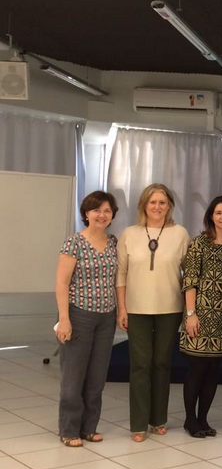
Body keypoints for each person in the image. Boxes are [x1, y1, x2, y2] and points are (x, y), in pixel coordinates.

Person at [116, 183, 190, 442]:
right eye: (152, 202)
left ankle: (158, 418)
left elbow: (188, 274)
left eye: (162, 202)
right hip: (136, 309)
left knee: (161, 364)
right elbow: (121, 273)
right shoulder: (129, 233)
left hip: (170, 308)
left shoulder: (180, 233)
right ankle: (138, 423)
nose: (157, 207)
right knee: (139, 365)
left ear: (169, 205)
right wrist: (122, 308)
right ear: (144, 205)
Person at [55, 191, 120, 447]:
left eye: (107, 210)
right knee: (73, 377)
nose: (101, 215)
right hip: (78, 314)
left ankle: (89, 427)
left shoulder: (114, 242)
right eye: (96, 210)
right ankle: (69, 430)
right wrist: (64, 319)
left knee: (96, 377)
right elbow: (61, 283)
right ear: (86, 213)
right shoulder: (74, 242)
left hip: (106, 317)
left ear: (112, 215)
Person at [179, 196, 222, 438]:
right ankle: (190, 419)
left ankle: (203, 418)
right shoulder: (199, 243)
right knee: (197, 368)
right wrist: (191, 314)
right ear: (211, 217)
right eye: (219, 212)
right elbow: (190, 281)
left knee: (214, 370)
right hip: (201, 315)